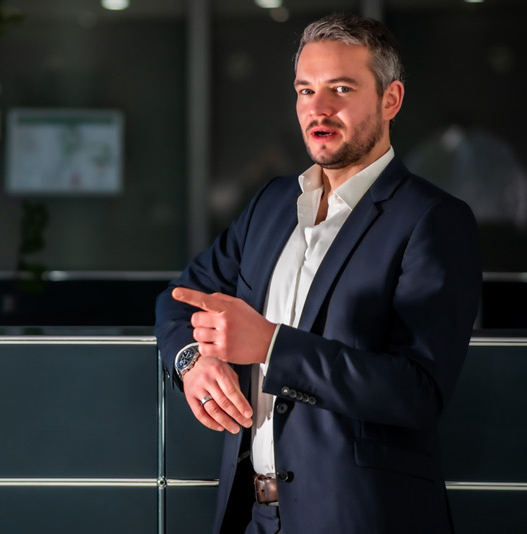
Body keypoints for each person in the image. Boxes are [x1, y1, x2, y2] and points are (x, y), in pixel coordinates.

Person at [154, 13, 481, 534]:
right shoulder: (272, 202)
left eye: (341, 89)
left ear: (390, 100)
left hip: (359, 518)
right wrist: (192, 360)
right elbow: (180, 297)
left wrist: (270, 346)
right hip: (252, 515)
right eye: (306, 90)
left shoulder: (434, 219)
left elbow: (417, 392)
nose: (318, 108)